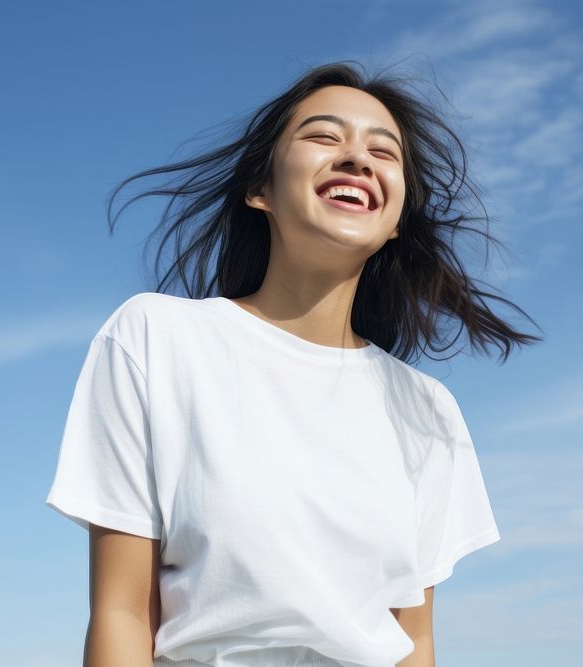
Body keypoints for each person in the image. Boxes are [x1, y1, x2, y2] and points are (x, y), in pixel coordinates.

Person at [45, 60, 543, 667]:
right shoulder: (156, 337)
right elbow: (123, 613)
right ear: (261, 190)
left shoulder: (428, 408)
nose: (357, 158)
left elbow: (415, 644)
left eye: (383, 152)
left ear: (395, 223)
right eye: (323, 137)